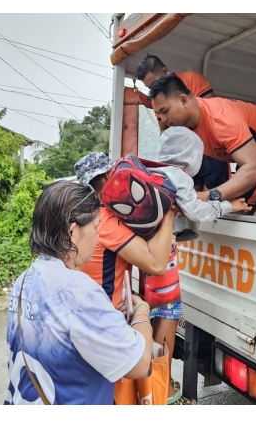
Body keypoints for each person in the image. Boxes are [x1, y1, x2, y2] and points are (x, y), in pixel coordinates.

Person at [4, 181, 154, 405]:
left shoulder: (23, 280)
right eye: (95, 228)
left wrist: (108, 320)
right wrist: (142, 311)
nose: (97, 237)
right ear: (72, 231)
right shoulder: (78, 291)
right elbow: (141, 365)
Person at [74, 152, 190, 404]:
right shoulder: (104, 220)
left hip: (86, 316)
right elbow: (157, 264)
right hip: (108, 321)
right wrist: (168, 211)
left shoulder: (84, 216)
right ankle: (164, 393)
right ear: (109, 175)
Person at [149, 73, 256, 208]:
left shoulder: (221, 119)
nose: (164, 119)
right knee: (228, 202)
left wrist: (208, 195)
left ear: (183, 100)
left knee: (244, 205)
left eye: (164, 111)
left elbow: (255, 170)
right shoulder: (184, 127)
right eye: (159, 114)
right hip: (255, 156)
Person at [135, 53, 229, 191]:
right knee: (189, 197)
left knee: (212, 200)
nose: (153, 89)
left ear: (165, 71)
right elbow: (164, 131)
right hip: (186, 155)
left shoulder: (192, 80)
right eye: (149, 87)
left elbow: (212, 112)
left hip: (210, 150)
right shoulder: (156, 99)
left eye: (154, 83)